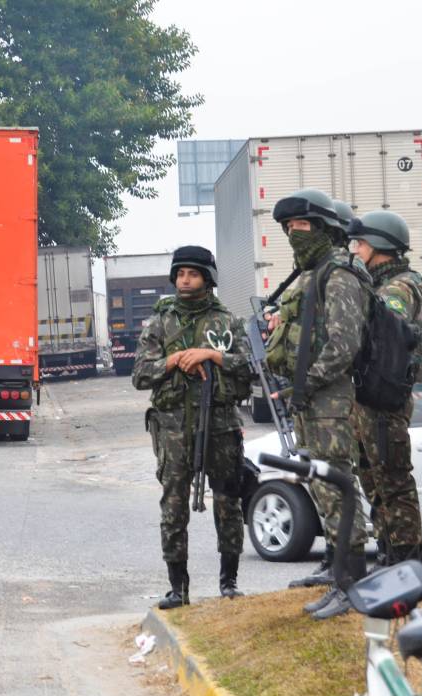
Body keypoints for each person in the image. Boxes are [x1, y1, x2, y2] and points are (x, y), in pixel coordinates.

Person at [266, 189, 369, 620]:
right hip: (312, 400)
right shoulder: (315, 274)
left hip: (332, 400)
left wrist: (305, 383)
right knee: (324, 492)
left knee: (339, 491)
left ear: (325, 229)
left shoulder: (340, 275)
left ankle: (354, 586)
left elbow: (344, 345)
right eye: (288, 229)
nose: (293, 235)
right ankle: (341, 580)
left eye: (301, 227)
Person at [132, 245, 253, 609]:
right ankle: (177, 588)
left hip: (219, 425)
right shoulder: (160, 322)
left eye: (193, 274)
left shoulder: (226, 321)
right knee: (173, 507)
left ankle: (229, 582)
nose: (185, 280)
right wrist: (172, 361)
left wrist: (211, 355)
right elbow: (140, 374)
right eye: (181, 274)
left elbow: (248, 368)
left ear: (207, 279)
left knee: (228, 505)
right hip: (172, 428)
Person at [347, 211, 422, 565]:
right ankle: (387, 548)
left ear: (379, 245)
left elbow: (386, 330)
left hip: (385, 400)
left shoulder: (398, 287)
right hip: (370, 398)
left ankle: (406, 557)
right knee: (373, 479)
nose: (356, 248)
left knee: (393, 481)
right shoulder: (380, 283)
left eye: (361, 243)